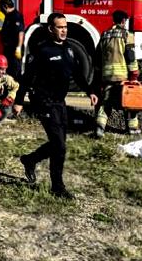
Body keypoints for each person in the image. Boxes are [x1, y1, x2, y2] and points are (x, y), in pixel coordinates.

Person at [16, 13, 98, 199]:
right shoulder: (41, 50)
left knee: (58, 144)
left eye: (65, 27)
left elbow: (77, 74)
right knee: (59, 145)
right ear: (51, 29)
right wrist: (19, 101)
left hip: (59, 102)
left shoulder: (69, 49)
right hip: (43, 101)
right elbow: (27, 78)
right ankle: (57, 187)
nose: (64, 30)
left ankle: (30, 160)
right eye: (60, 27)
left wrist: (90, 91)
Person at [93, 10, 140, 138]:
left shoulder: (105, 34)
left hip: (107, 77)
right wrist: (134, 74)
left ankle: (99, 128)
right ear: (124, 21)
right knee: (129, 102)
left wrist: (98, 76)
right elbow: (130, 56)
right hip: (123, 77)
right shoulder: (127, 35)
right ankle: (132, 129)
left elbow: (97, 57)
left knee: (105, 103)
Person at [0, 0, 25, 79]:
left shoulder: (16, 16)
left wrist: (18, 47)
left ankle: (16, 87)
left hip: (14, 49)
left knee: (14, 70)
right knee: (8, 69)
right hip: (9, 49)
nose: (0, 10)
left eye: (1, 7)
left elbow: (20, 32)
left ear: (5, 6)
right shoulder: (9, 16)